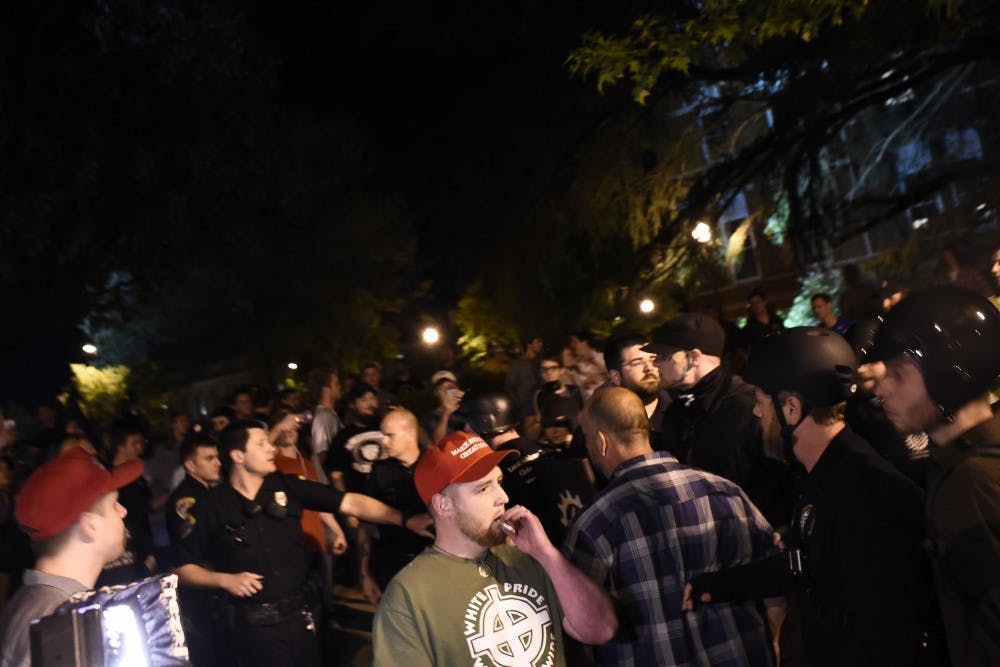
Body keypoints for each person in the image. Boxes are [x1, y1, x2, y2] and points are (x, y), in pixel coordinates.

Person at [712, 327, 928, 666]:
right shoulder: (822, 475)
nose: (756, 413)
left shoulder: (864, 491)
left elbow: (883, 634)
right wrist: (715, 587)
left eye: (760, 401)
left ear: (792, 409)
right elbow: (809, 564)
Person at [173, 418, 431, 667]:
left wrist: (404, 519)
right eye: (261, 443)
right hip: (255, 631)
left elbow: (351, 502)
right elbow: (180, 569)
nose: (271, 448)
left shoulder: (288, 487)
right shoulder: (211, 507)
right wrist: (223, 580)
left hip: (304, 618)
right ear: (238, 456)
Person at [563, 387, 779, 666]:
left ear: (601, 442)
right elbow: (776, 578)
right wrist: (772, 642)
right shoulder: (726, 493)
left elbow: (582, 622)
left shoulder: (595, 523)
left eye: (589, 440)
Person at [372, 431, 617, 666]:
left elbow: (601, 630)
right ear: (443, 505)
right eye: (483, 488)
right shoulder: (408, 596)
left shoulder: (529, 559)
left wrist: (548, 555)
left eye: (498, 482)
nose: (503, 497)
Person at [865, 285, 1000, 666]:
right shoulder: (964, 460)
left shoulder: (972, 482)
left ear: (947, 372)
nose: (882, 391)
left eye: (898, 374)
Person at [643, 313, 790, 528]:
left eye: (664, 356)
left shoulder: (749, 406)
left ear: (694, 357)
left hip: (757, 540)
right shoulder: (675, 411)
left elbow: (783, 476)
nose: (655, 363)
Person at [0, 447, 141, 667]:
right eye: (114, 504)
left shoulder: (36, 603)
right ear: (89, 526)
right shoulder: (61, 627)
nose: (123, 511)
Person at [165, 432, 228, 667]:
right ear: (190, 465)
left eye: (217, 457)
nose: (218, 463)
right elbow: (192, 548)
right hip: (203, 588)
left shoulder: (207, 493)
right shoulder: (187, 500)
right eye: (209, 458)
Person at [358, 408, 431, 604]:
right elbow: (366, 526)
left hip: (434, 562)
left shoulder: (436, 466)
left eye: (389, 435)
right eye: (382, 435)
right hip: (392, 564)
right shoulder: (379, 471)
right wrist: (365, 574)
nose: (383, 441)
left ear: (411, 434)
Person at [603, 332, 668, 449]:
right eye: (637, 363)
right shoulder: (601, 420)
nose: (649, 368)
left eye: (653, 359)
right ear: (616, 377)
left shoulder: (679, 413)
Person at [504, 333, 544, 422]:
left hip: (542, 406)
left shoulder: (542, 362)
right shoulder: (518, 364)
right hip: (525, 409)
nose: (541, 344)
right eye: (538, 342)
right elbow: (510, 387)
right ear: (529, 344)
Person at [421, 370, 465, 445]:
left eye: (451, 387)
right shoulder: (430, 416)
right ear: (435, 392)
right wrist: (446, 413)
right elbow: (437, 442)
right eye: (442, 388)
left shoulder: (467, 407)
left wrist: (468, 399)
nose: (447, 391)